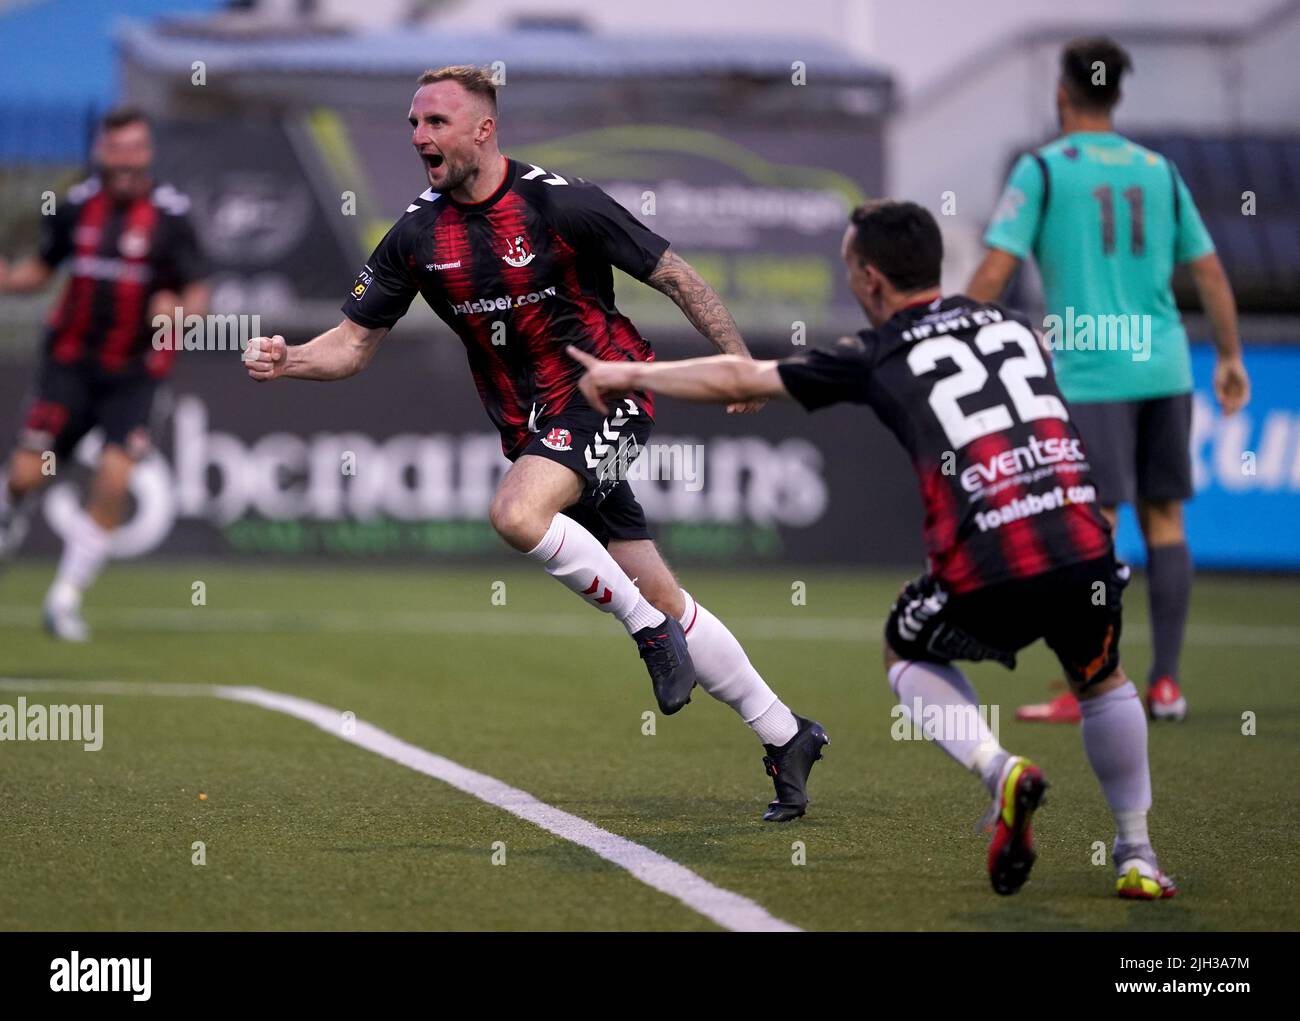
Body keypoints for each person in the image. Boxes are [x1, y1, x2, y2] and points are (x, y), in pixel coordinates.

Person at [243, 66, 828, 822]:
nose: (420, 135)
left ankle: (650, 635)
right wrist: (289, 359)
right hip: (532, 428)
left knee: (518, 515)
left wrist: (738, 365)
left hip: (607, 394)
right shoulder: (416, 236)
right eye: (414, 122)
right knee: (660, 589)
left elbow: (676, 276)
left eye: (436, 122)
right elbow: (352, 346)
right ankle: (787, 734)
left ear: (483, 129)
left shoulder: (562, 202)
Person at [572, 200, 1177, 899]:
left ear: (871, 280)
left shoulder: (877, 350)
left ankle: (998, 768)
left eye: (849, 268)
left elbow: (745, 379)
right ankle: (1136, 852)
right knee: (1102, 679)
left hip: (994, 557)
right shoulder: (1012, 324)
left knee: (907, 648)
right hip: (1083, 542)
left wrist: (633, 375)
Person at [967, 36, 1250, 723]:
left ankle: (1095, 684)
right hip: (1165, 365)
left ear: (1062, 92)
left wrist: (950, 333)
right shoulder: (1159, 170)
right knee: (1166, 517)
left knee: (1096, 527)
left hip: (1092, 373)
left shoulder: (1042, 169)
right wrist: (1231, 356)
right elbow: (1209, 271)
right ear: (1116, 95)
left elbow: (997, 272)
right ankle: (1167, 685)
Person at [0, 108, 208, 640]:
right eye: (114, 150)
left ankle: (65, 598)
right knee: (28, 473)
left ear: (147, 153)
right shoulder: (74, 207)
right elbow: (42, 270)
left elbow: (198, 296)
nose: (123, 161)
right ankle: (9, 515)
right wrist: (8, 279)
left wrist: (175, 316)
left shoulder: (171, 216)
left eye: (133, 149)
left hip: (135, 375)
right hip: (69, 367)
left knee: (114, 478)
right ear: (101, 152)